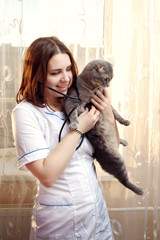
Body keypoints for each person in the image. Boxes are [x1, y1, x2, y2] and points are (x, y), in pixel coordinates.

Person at [12, 36, 117, 240]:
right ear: (36, 76)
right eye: (55, 73)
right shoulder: (25, 113)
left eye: (68, 69)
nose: (66, 78)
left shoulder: (81, 101)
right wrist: (78, 129)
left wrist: (109, 117)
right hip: (59, 224)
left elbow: (111, 152)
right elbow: (47, 175)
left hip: (96, 217)